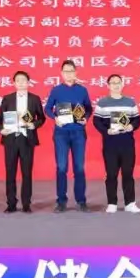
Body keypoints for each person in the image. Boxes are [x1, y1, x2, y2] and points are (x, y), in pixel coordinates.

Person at [43, 59, 93, 213]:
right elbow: (47, 109)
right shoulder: (56, 90)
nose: (69, 74)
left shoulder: (82, 90)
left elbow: (89, 108)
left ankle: (81, 201)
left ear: (76, 72)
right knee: (61, 167)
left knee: (79, 168)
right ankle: (61, 201)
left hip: (78, 132)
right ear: (62, 73)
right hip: (61, 133)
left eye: (71, 71)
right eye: (66, 71)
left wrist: (86, 118)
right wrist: (55, 118)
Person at [0, 70, 46, 213]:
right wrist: (1, 129)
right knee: (10, 172)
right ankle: (11, 203)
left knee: (27, 173)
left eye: (24, 80)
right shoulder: (8, 99)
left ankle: (26, 204)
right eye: (18, 80)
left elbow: (41, 118)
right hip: (11, 138)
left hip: (27, 139)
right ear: (14, 83)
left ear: (28, 83)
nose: (21, 83)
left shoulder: (34, 99)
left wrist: (34, 125)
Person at [92, 74, 140, 214]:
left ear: (122, 84)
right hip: (110, 144)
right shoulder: (102, 103)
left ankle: (130, 203)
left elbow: (137, 119)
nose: (116, 85)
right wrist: (106, 131)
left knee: (128, 173)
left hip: (127, 143)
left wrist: (131, 126)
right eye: (113, 83)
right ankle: (112, 203)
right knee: (111, 174)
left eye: (118, 82)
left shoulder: (130, 102)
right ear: (108, 85)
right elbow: (96, 121)